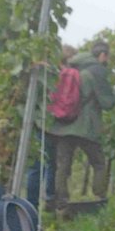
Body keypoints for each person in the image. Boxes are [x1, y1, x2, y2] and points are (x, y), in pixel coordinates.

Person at [49, 40, 115, 215]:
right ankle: (99, 199)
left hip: (63, 124)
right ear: (103, 55)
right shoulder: (96, 71)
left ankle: (60, 204)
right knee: (99, 163)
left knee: (62, 166)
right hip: (86, 126)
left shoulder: (70, 66)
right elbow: (107, 102)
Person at [25, 44, 78, 210]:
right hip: (62, 125)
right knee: (53, 164)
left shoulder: (46, 71)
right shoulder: (74, 75)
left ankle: (31, 205)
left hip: (43, 122)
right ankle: (50, 199)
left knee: (36, 165)